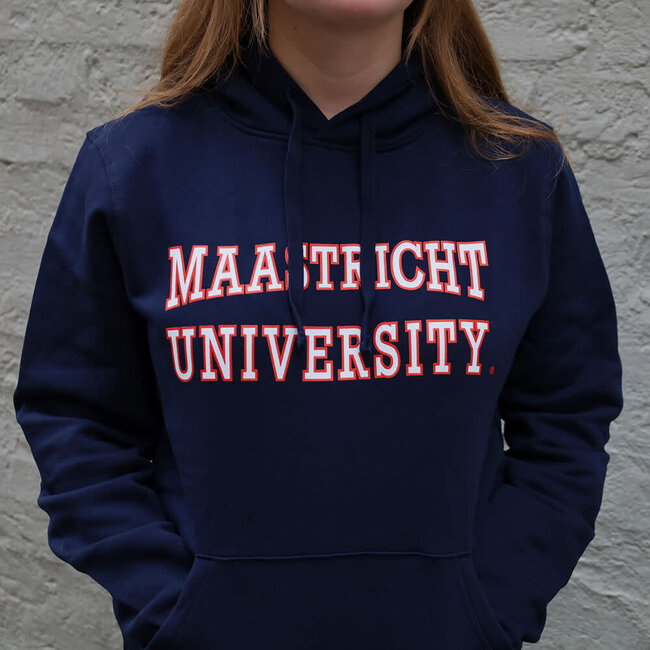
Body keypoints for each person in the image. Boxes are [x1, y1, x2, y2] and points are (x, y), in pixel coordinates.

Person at [13, 1, 624, 649]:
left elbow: (567, 418)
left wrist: (488, 607)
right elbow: (76, 421)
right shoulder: (134, 165)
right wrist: (181, 613)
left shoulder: (518, 167)